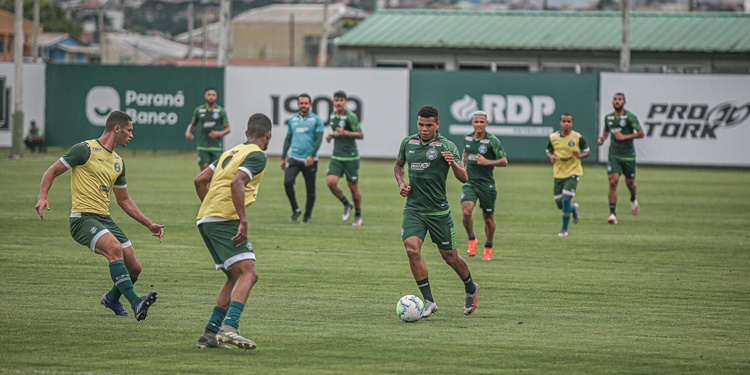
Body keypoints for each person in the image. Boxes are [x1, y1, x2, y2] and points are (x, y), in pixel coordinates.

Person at [35, 110, 163, 321]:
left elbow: (124, 200)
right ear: (116, 129)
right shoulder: (85, 150)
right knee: (114, 249)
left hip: (105, 219)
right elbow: (52, 171)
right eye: (129, 130)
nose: (131, 135)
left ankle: (112, 299)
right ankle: (136, 302)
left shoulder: (118, 162)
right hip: (82, 219)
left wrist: (149, 224)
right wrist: (42, 197)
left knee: (135, 267)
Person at [193, 113, 273, 350]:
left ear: (246, 133)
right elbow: (237, 183)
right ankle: (230, 327)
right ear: (268, 135)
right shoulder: (257, 155)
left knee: (235, 276)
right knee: (249, 274)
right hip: (223, 218)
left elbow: (199, 180)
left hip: (206, 218)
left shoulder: (230, 152)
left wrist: (210, 207)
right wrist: (243, 220)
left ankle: (209, 333)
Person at [394, 105, 480, 318]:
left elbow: (464, 177)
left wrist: (454, 165)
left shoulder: (446, 145)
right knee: (412, 249)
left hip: (438, 212)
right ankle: (429, 301)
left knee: (450, 258)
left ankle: (471, 287)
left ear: (437, 125)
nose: (424, 129)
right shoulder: (408, 143)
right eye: (421, 124)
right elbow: (398, 166)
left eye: (429, 125)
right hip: (414, 209)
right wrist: (401, 183)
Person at [460, 110, 508, 261]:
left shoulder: (492, 141)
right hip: (470, 182)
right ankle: (472, 239)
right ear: (472, 123)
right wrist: (462, 164)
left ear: (486, 123)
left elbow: (504, 161)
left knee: (488, 219)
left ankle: (488, 246)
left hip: (487, 185)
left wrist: (488, 162)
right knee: (466, 212)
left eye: (482, 122)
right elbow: (466, 152)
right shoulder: (467, 138)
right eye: (476, 122)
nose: (479, 124)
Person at [597, 93, 644, 225]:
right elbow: (606, 131)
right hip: (614, 155)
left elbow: (641, 133)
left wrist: (625, 137)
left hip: (628, 156)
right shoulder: (609, 117)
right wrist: (602, 139)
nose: (617, 102)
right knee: (613, 181)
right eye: (615, 99)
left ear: (624, 102)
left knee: (630, 184)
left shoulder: (630, 117)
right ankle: (612, 213)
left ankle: (633, 198)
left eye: (620, 99)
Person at [281, 93, 325, 224]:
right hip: (294, 157)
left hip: (310, 160)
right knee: (287, 182)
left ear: (310, 105)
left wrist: (311, 155)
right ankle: (296, 209)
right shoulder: (293, 120)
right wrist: (283, 157)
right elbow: (288, 139)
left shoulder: (316, 120)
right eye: (301, 103)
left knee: (310, 189)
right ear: (298, 104)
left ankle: (307, 215)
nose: (303, 105)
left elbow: (318, 140)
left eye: (306, 103)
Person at [546, 113, 591, 237]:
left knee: (566, 199)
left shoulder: (578, 137)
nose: (566, 123)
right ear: (560, 123)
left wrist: (580, 156)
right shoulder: (553, 137)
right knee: (560, 204)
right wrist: (551, 157)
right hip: (558, 172)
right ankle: (573, 209)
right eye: (564, 121)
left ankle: (564, 230)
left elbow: (587, 151)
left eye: (569, 121)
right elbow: (548, 150)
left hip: (573, 171)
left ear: (572, 123)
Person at [325, 90, 364, 226]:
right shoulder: (332, 116)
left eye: (341, 100)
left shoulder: (350, 116)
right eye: (336, 100)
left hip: (351, 157)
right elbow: (337, 133)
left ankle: (358, 214)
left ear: (345, 102)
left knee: (353, 187)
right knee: (330, 182)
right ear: (333, 102)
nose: (339, 103)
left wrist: (345, 132)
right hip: (337, 155)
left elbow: (360, 134)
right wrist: (332, 136)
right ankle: (347, 204)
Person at [186, 88, 231, 170]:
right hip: (203, 145)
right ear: (205, 96)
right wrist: (188, 132)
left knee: (215, 171)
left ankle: (211, 183)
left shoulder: (220, 111)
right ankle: (206, 183)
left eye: (213, 95)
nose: (211, 97)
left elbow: (227, 129)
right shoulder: (199, 110)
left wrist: (219, 133)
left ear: (216, 97)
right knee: (204, 169)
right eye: (209, 94)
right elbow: (192, 124)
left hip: (216, 146)